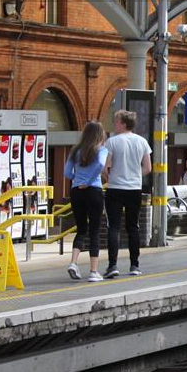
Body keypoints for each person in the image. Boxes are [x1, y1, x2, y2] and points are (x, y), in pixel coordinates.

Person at [102, 110, 152, 278]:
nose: (114, 124)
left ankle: (112, 265)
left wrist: (109, 177)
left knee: (113, 227)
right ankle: (134, 265)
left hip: (115, 188)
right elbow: (148, 168)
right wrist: (135, 176)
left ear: (123, 124)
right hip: (134, 189)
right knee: (133, 227)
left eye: (116, 121)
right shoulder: (142, 142)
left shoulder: (112, 142)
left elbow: (105, 167)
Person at [64, 121, 108, 282]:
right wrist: (89, 181)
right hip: (93, 190)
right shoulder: (101, 150)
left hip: (76, 191)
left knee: (81, 229)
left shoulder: (75, 150)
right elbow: (101, 164)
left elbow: (67, 173)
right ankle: (93, 271)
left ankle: (73, 262)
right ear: (99, 135)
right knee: (95, 230)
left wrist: (78, 179)